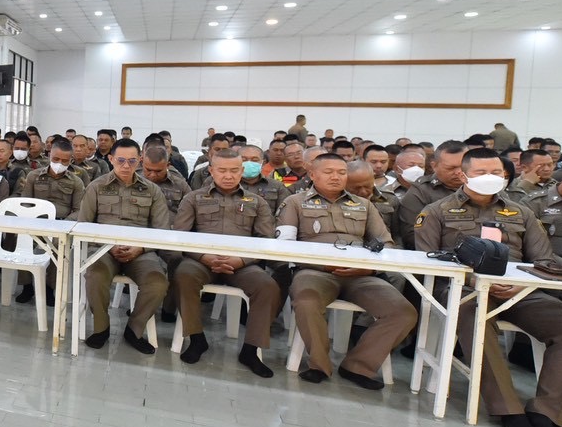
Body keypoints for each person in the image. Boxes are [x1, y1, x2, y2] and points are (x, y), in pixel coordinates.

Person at [413, 148, 562, 427]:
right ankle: (507, 407)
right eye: (481, 172)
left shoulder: (522, 212)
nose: (490, 177)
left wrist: (522, 284)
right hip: (465, 289)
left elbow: (543, 259)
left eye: (496, 172)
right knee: (476, 320)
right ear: (463, 175)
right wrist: (474, 279)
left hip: (520, 290)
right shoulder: (436, 211)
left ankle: (548, 412)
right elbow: (428, 259)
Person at [277, 153, 416, 389]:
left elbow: (386, 244)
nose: (336, 177)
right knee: (307, 301)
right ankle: (319, 365)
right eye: (328, 172)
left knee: (403, 312)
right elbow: (284, 245)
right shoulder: (295, 202)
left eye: (341, 173)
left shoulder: (364, 205)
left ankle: (358, 366)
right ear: (312, 174)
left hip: (360, 274)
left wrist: (367, 268)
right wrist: (323, 265)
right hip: (314, 272)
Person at [170, 149, 282, 377]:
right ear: (211, 171)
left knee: (268, 286)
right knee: (183, 276)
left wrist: (241, 260)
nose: (228, 175)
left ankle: (251, 350)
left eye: (234, 170)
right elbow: (180, 236)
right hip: (201, 260)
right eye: (222, 170)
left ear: (241, 171)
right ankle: (197, 338)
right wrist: (204, 257)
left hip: (242, 263)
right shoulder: (194, 198)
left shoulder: (257, 202)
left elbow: (266, 240)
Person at [79, 138, 170, 353]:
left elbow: (162, 230)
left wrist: (140, 248)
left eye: (132, 161)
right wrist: (108, 245)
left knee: (158, 282)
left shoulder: (152, 190)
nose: (126, 166)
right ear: (111, 159)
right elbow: (83, 225)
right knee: (95, 275)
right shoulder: (96, 187)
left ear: (140, 160)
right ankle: (101, 328)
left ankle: (134, 329)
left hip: (140, 251)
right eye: (120, 160)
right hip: (103, 248)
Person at [16, 138, 85, 305]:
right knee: (22, 240)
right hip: (36, 223)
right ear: (49, 155)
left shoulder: (76, 182)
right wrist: (32, 220)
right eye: (56, 159)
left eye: (64, 161)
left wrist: (64, 224)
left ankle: (49, 288)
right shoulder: (34, 176)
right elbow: (25, 203)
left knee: (58, 245)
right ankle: (27, 286)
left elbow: (79, 210)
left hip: (61, 226)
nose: (59, 163)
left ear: (71, 160)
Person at [394, 140, 466, 246]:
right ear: (434, 166)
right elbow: (412, 235)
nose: (458, 172)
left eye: (463, 167)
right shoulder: (421, 192)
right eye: (450, 168)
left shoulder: (481, 189)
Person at [237, 144, 290, 214]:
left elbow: (284, 213)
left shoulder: (277, 187)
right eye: (244, 160)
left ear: (263, 163)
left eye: (254, 160)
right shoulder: (228, 186)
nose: (249, 163)